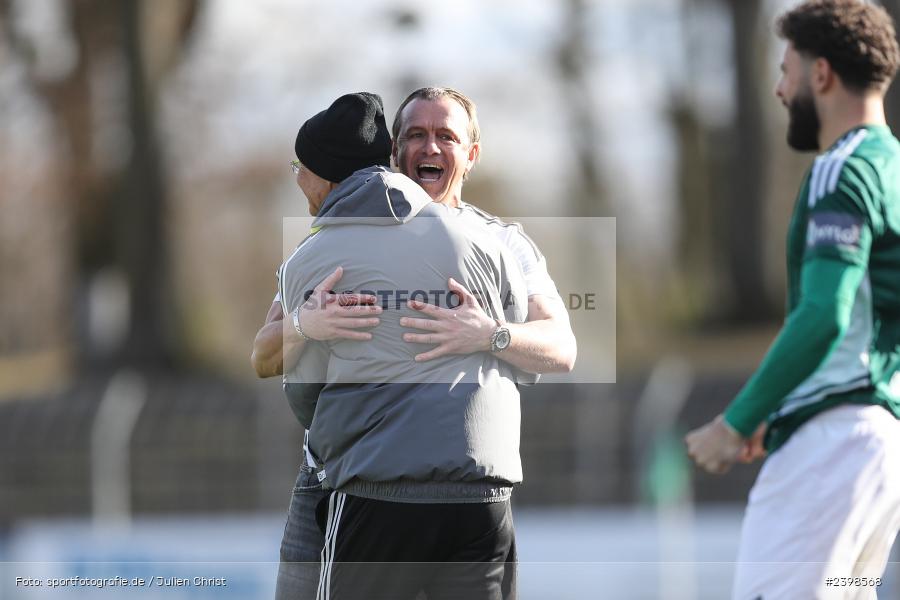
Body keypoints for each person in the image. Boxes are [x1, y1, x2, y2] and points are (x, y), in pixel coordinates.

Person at [256, 88, 575, 600]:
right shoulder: (333, 240)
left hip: (462, 484)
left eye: (446, 136)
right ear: (393, 150)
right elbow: (265, 352)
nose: (430, 148)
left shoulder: (502, 243)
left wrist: (490, 334)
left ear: (471, 154)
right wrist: (304, 324)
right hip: (336, 477)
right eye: (416, 135)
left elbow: (561, 346)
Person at [685, 1, 900, 598]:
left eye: (786, 71)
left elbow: (824, 315)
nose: (780, 90)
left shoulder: (843, 170)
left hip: (830, 451)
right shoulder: (893, 171)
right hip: (880, 451)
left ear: (820, 74)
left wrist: (737, 421)